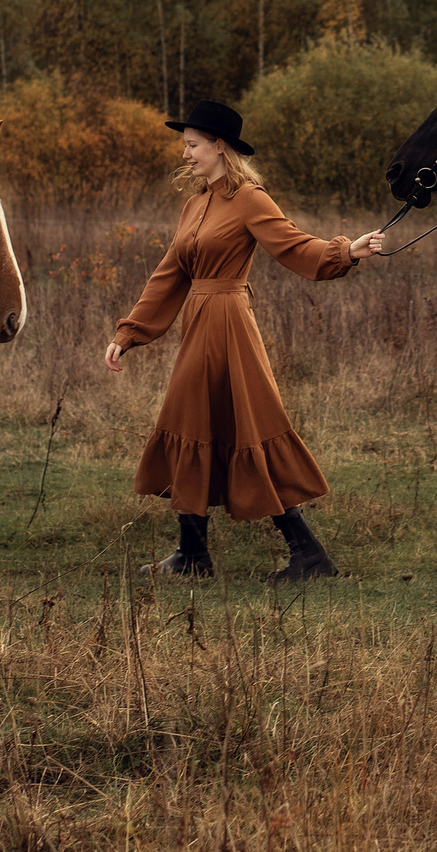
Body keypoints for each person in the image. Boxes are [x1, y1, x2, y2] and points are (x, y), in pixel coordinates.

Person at [104, 100, 388, 581]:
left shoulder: (250, 198)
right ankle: (194, 556)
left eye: (193, 144)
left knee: (246, 427)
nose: (186, 153)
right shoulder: (196, 204)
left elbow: (294, 245)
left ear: (219, 146)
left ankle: (306, 555)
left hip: (230, 323)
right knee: (191, 421)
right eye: (186, 144)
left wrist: (346, 249)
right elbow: (169, 274)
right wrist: (129, 332)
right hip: (199, 321)